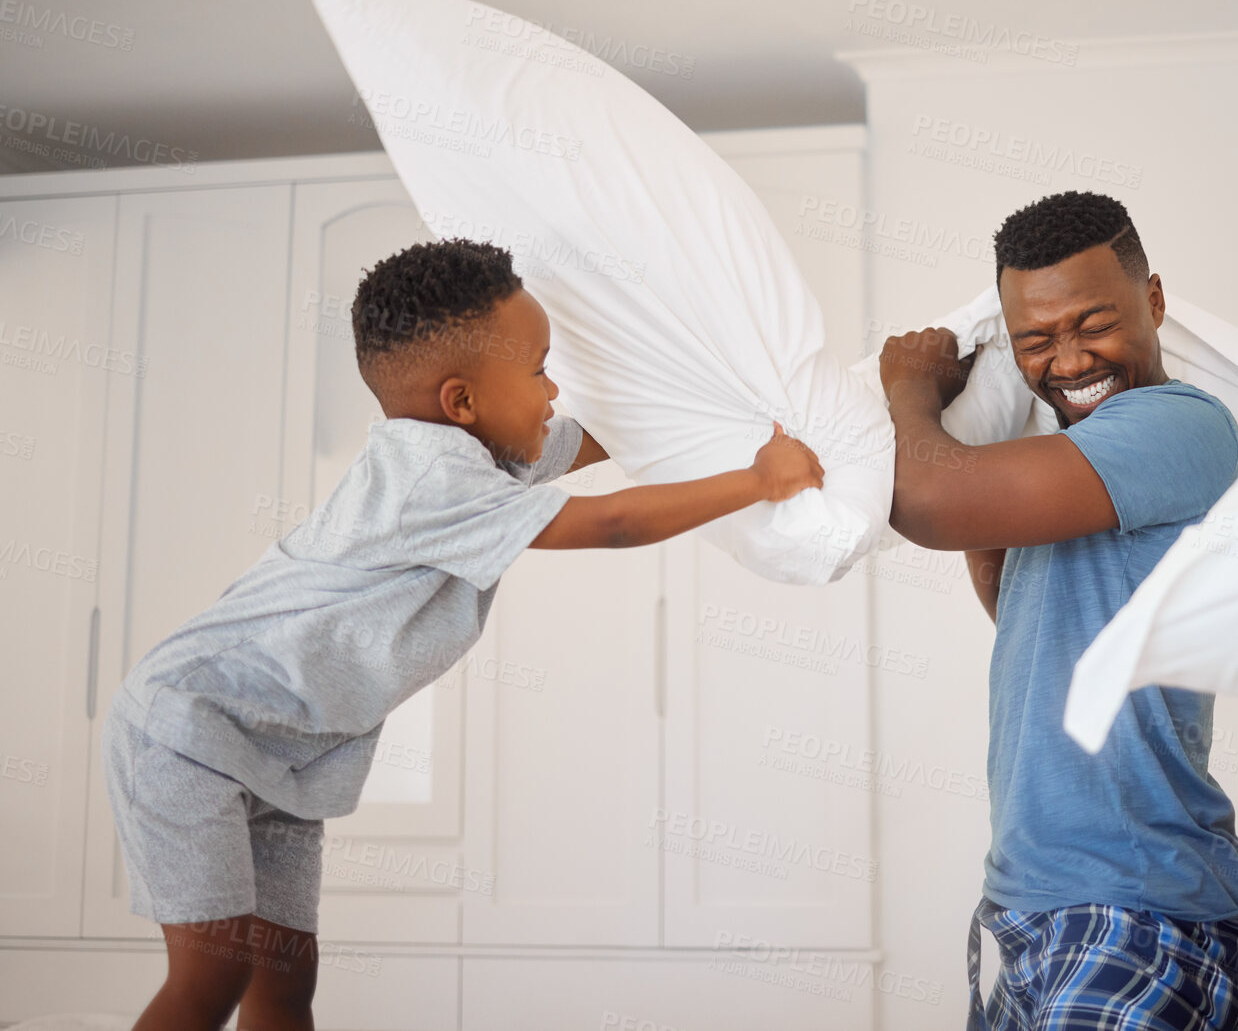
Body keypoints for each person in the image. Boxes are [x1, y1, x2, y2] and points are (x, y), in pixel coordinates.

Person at [103, 239, 823, 1030]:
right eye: (540, 369)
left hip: (281, 755)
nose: (554, 390)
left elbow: (600, 438)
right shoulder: (431, 479)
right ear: (461, 401)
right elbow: (611, 522)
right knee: (215, 972)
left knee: (286, 974)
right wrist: (760, 479)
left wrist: (714, 412)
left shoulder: (471, 455)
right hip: (191, 728)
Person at [880, 191, 1238, 1031]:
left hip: (1137, 912)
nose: (1067, 359)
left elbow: (925, 502)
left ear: (1153, 301)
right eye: (1035, 340)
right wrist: (980, 491)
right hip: (1035, 905)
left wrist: (908, 390)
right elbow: (1021, 614)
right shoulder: (1069, 460)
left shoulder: (1177, 426)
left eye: (1092, 323)